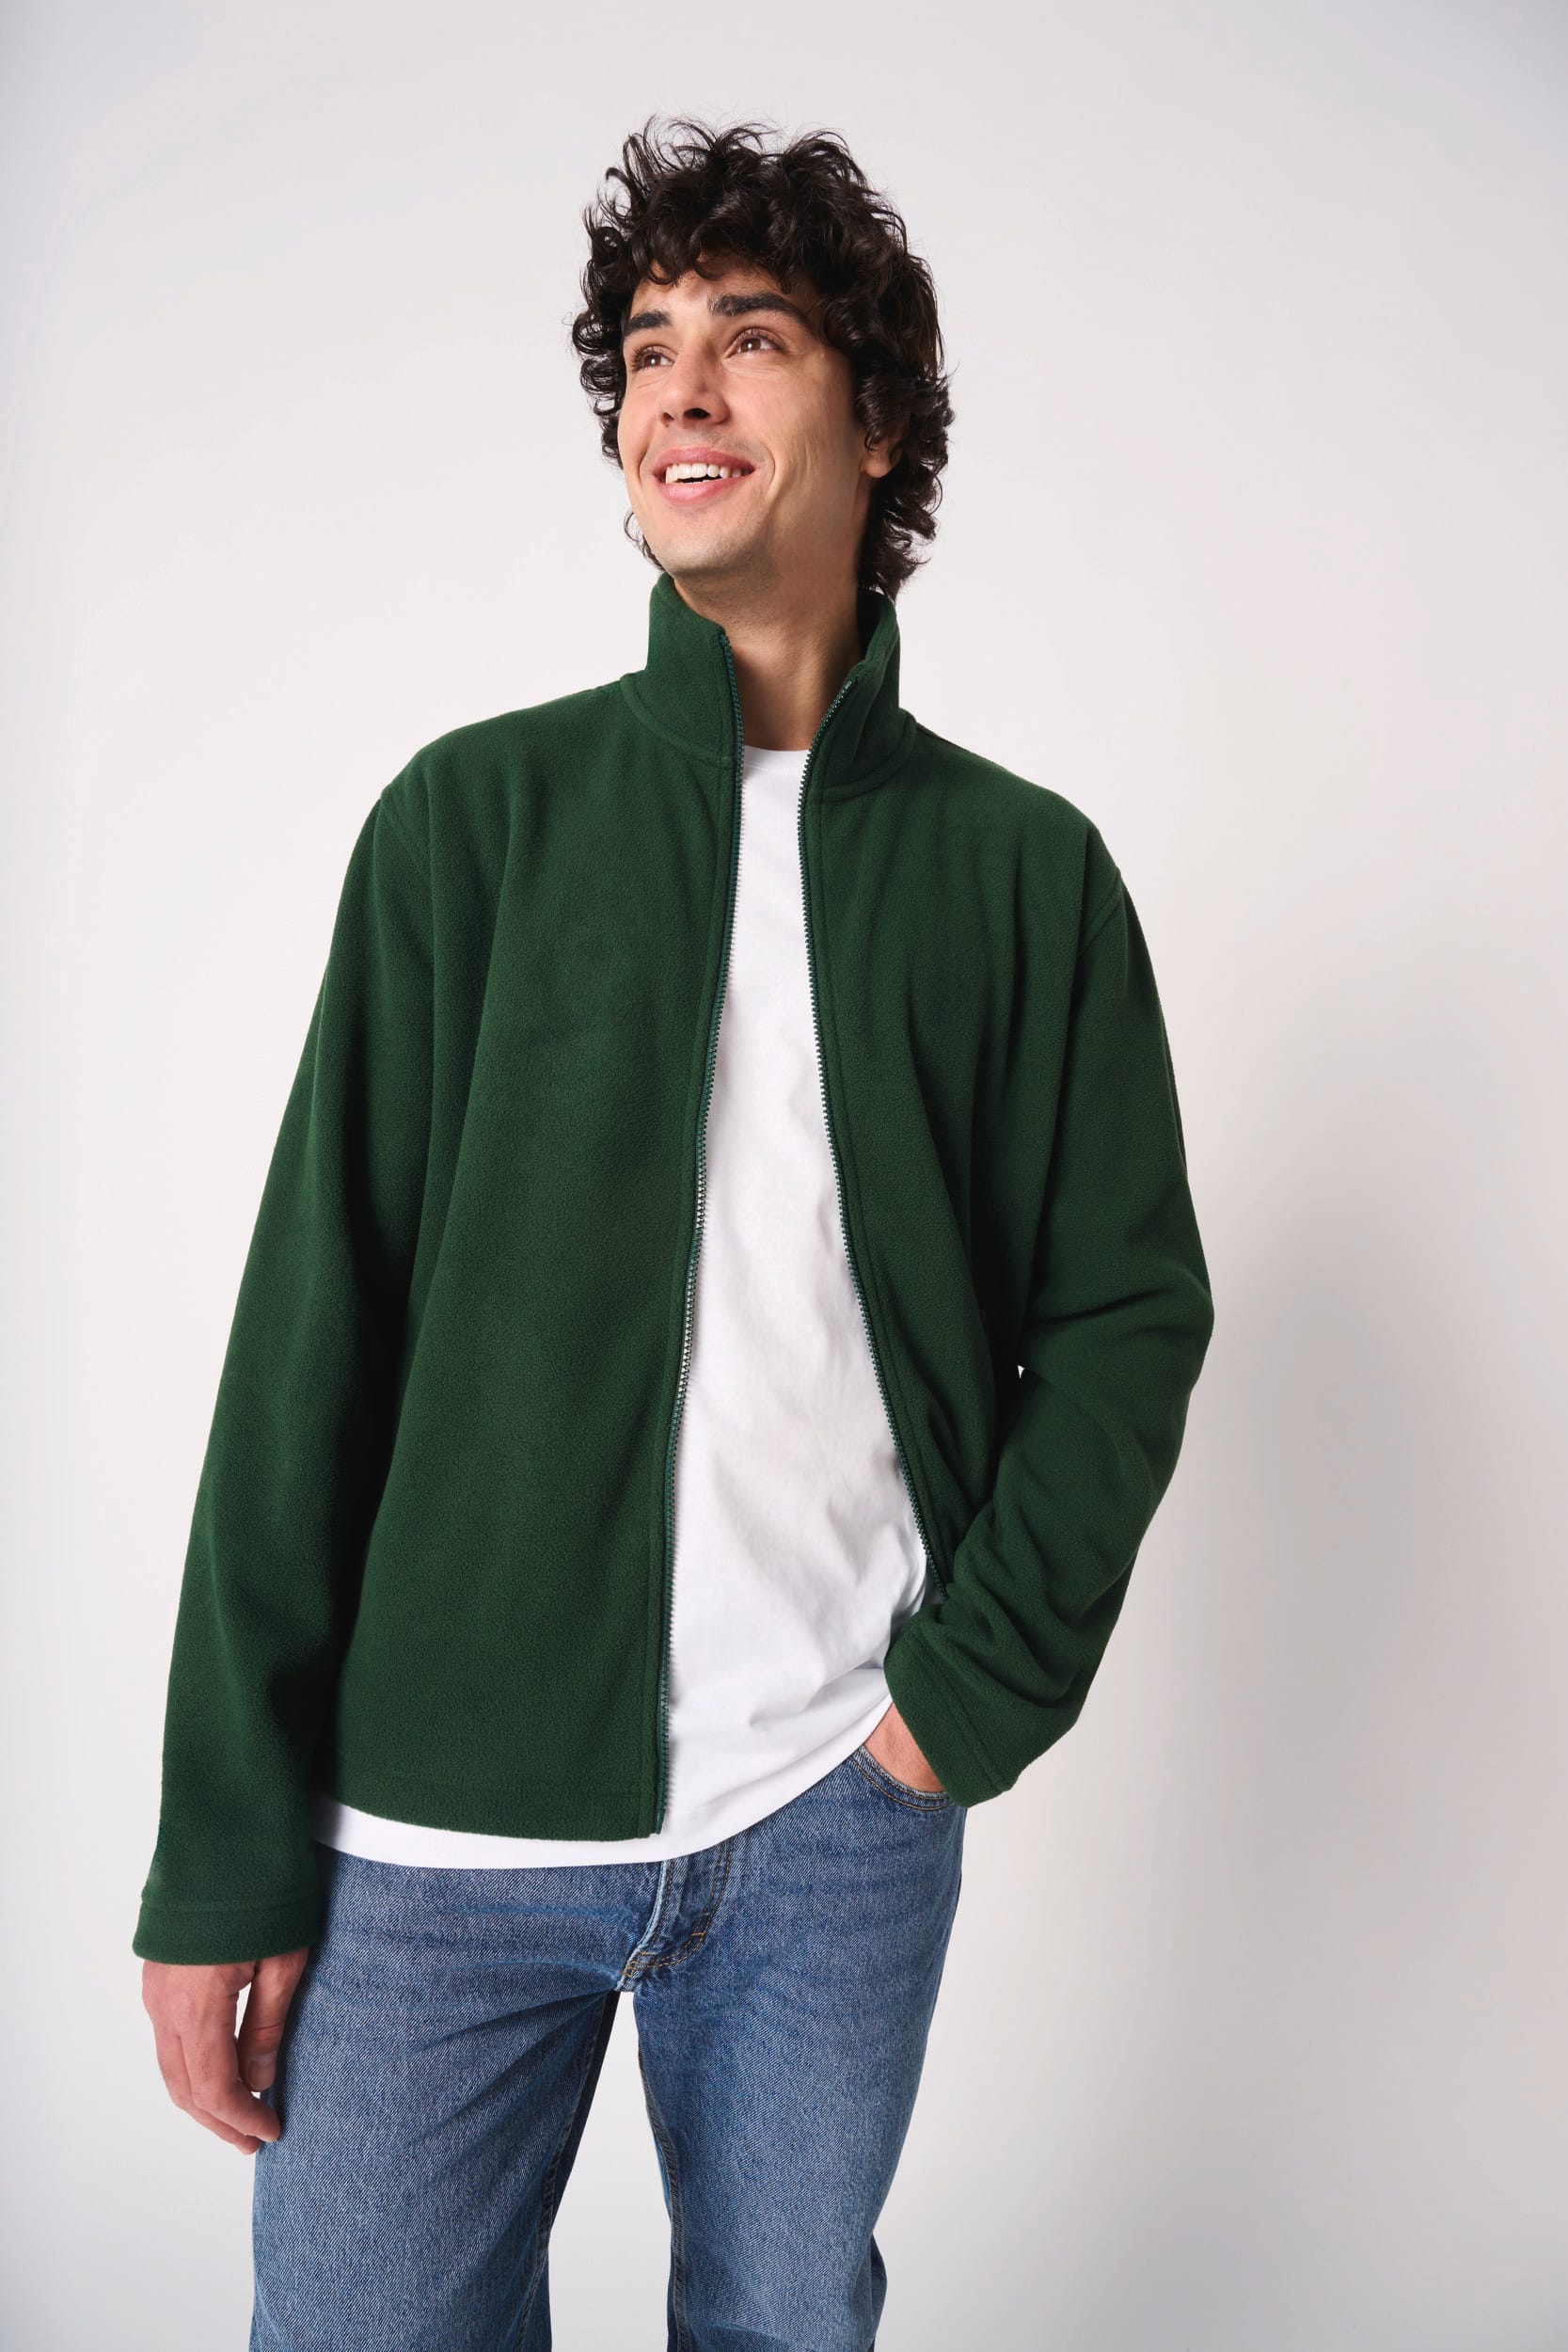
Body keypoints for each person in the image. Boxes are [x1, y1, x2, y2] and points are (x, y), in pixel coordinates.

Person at [135, 115, 1215, 2352]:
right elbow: (309, 1343)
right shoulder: (469, 827)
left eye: (751, 335)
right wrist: (225, 1842)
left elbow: (1125, 1312)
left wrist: (953, 1706)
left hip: (834, 1799)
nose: (680, 390)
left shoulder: (1023, 875)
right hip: (436, 1835)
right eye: (645, 348)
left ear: (878, 420)